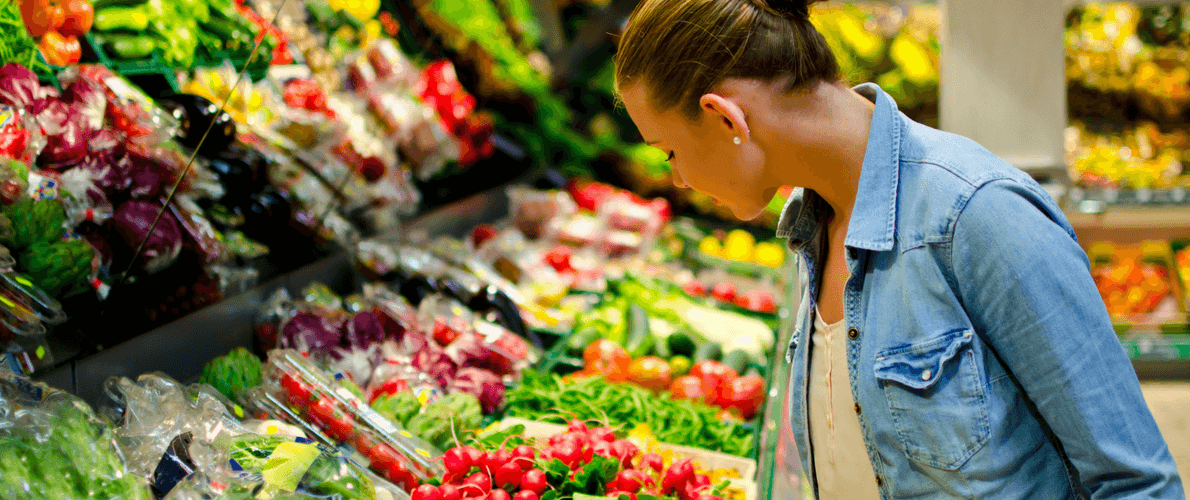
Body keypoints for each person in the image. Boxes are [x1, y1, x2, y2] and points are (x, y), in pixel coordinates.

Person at [613, 0, 1185, 498]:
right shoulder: (811, 226)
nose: (678, 178)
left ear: (724, 117)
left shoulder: (978, 216)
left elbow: (1134, 482)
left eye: (668, 151)